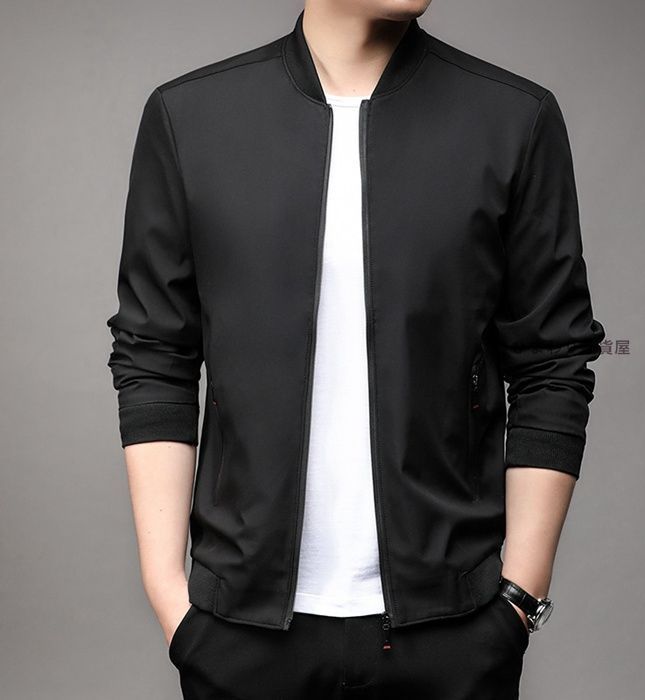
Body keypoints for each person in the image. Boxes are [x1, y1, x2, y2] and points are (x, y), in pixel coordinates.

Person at [105, 1, 606, 697]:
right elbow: (155, 354)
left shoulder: (512, 118)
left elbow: (554, 360)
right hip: (241, 633)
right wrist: (170, 597)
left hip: (453, 633)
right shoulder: (191, 117)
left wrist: (519, 599)